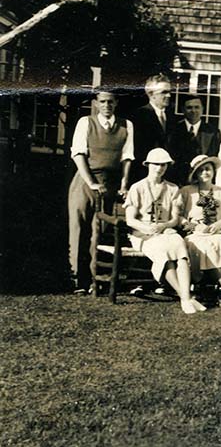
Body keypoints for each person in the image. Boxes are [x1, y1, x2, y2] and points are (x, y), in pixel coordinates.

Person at [68, 88, 134, 293]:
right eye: (103, 101)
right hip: (85, 181)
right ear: (96, 103)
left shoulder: (126, 126)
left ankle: (96, 280)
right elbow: (78, 155)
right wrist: (91, 182)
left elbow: (127, 158)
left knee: (100, 231)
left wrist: (124, 184)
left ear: (116, 103)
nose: (107, 105)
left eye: (111, 102)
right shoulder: (86, 123)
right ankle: (77, 279)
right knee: (79, 228)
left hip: (110, 184)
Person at [124, 148, 201, 315]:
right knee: (163, 253)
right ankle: (186, 298)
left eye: (163, 165)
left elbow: (175, 219)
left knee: (180, 248)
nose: (159, 168)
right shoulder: (137, 187)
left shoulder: (172, 189)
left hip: (165, 230)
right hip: (142, 233)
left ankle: (185, 296)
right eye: (156, 164)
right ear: (148, 165)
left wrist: (163, 227)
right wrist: (148, 228)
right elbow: (130, 220)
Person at [178, 155, 221, 310]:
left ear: (213, 171)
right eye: (201, 170)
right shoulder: (187, 192)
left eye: (208, 169)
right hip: (194, 234)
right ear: (195, 174)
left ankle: (215, 290)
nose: (205, 173)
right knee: (203, 245)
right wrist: (193, 226)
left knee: (219, 242)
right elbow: (178, 216)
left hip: (216, 233)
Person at [167, 94, 221, 185]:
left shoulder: (213, 132)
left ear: (202, 109)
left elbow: (215, 158)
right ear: (183, 110)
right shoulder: (173, 131)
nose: (193, 111)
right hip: (178, 182)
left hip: (204, 182)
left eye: (197, 107)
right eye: (189, 107)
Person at [131, 74, 176, 181]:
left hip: (168, 176)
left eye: (169, 92)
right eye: (164, 92)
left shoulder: (172, 117)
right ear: (151, 94)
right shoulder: (139, 116)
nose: (169, 95)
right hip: (145, 175)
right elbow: (137, 150)